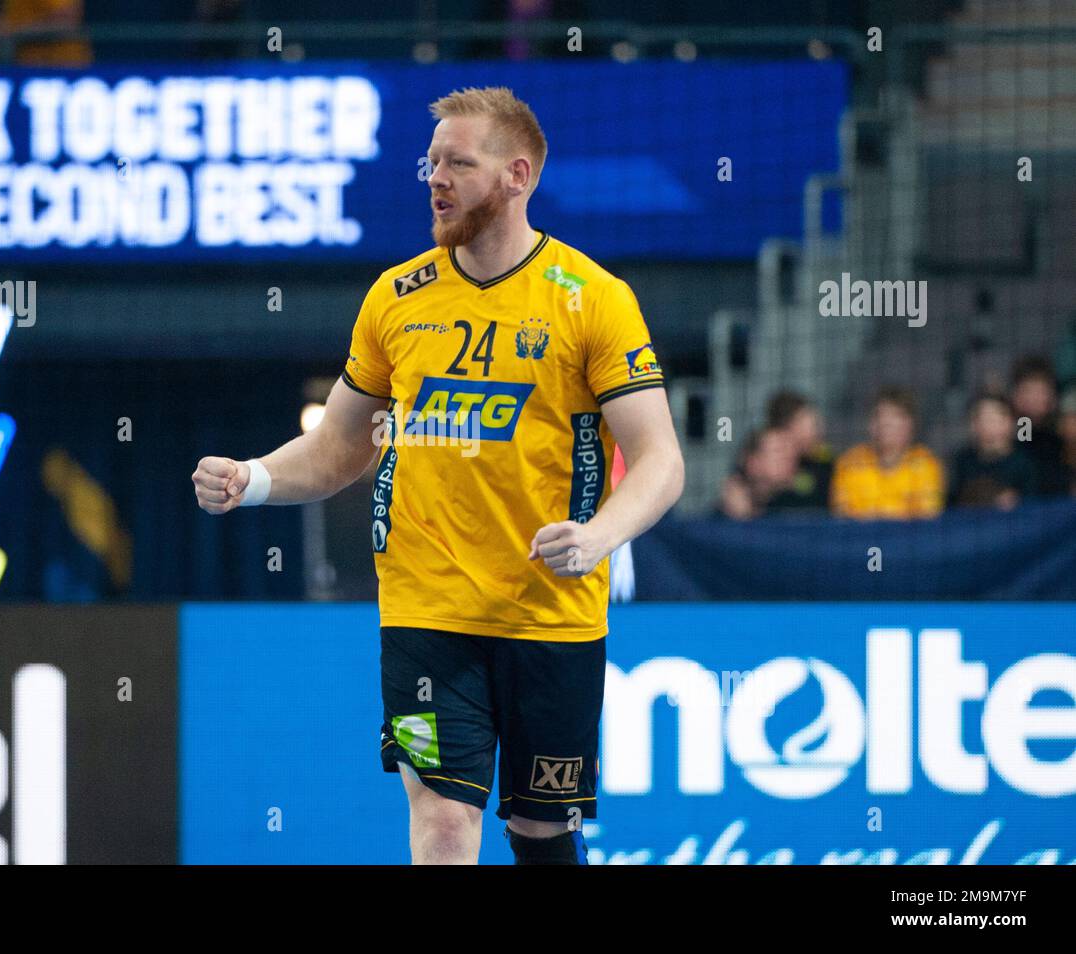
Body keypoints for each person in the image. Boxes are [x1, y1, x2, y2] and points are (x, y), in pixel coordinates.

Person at [192, 87, 684, 865]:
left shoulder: (595, 299)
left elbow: (661, 461)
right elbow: (340, 446)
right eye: (432, 161)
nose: (436, 177)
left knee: (540, 830)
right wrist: (251, 478)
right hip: (426, 612)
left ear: (517, 175)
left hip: (549, 614)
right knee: (445, 823)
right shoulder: (395, 297)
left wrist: (600, 535)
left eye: (459, 162)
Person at [831, 387, 945, 520]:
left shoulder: (925, 464)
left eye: (895, 416)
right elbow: (842, 516)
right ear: (870, 424)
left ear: (911, 424)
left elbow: (927, 517)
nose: (885, 423)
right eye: (879, 415)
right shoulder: (851, 462)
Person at [948, 392, 1037, 509]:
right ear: (973, 424)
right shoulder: (963, 461)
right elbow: (952, 505)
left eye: (995, 418)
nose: (988, 424)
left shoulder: (1024, 464)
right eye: (982, 417)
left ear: (1010, 422)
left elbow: (1034, 508)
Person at [1010, 356, 1073, 497]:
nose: (1034, 398)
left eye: (1040, 391)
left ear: (1052, 396)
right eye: (1027, 390)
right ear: (1016, 395)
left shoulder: (1063, 437)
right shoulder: (1016, 434)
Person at [764, 391, 834, 511]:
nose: (820, 432)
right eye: (814, 425)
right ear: (790, 426)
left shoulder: (823, 463)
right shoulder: (764, 458)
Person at [717, 428, 798, 520]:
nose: (790, 458)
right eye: (779, 451)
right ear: (752, 462)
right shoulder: (718, 521)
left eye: (792, 452)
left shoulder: (800, 505)